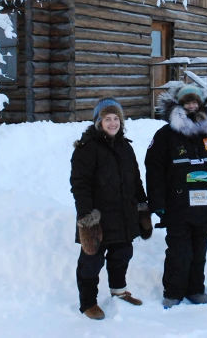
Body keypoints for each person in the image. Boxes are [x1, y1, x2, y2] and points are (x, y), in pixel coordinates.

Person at [145, 83, 207, 308]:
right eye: (187, 101)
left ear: (202, 104)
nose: (191, 104)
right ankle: (173, 291)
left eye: (195, 101)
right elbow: (154, 170)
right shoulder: (165, 135)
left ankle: (195, 289)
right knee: (179, 251)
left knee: (199, 250)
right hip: (177, 204)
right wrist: (157, 202)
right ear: (178, 105)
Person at [70, 97, 153, 320]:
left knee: (122, 254)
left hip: (124, 214)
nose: (113, 123)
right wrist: (87, 219)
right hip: (99, 217)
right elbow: (80, 185)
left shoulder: (126, 147)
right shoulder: (87, 148)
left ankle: (119, 291)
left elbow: (136, 180)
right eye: (108, 119)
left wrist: (142, 207)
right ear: (99, 121)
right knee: (91, 261)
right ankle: (88, 302)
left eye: (116, 118)